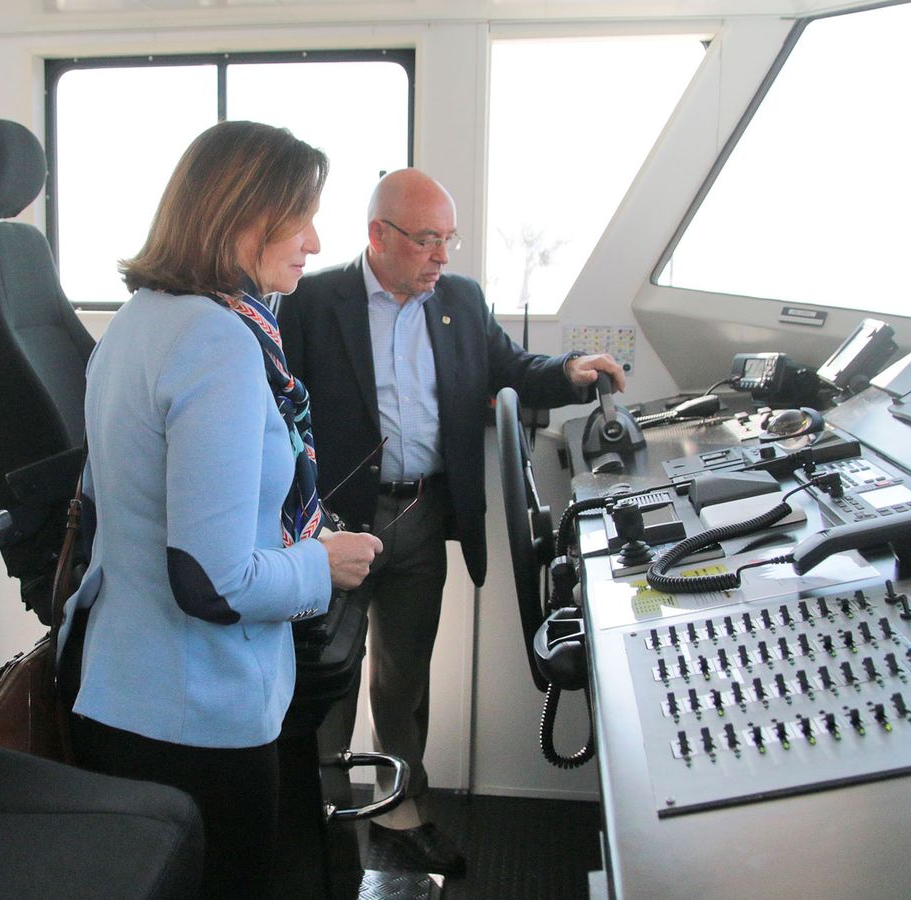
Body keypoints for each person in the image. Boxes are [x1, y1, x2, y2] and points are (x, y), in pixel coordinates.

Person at [59, 120, 381, 898]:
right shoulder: (216, 341)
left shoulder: (139, 320)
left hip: (121, 689)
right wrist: (321, 564)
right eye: (298, 214)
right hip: (191, 714)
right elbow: (212, 582)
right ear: (240, 214)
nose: (312, 237)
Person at [278, 168, 627, 876]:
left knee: (404, 677)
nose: (443, 256)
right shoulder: (314, 300)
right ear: (379, 235)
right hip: (335, 526)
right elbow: (278, 409)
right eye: (429, 239)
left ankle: (401, 809)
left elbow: (511, 366)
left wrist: (571, 371)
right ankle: (323, 820)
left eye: (450, 240)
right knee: (330, 681)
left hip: (423, 515)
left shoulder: (460, 301)